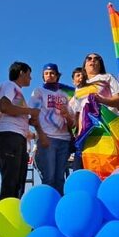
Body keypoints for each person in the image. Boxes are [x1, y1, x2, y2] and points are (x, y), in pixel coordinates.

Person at [0, 61, 42, 200]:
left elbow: (15, 112)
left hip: (19, 137)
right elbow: (5, 106)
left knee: (19, 182)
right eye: (29, 74)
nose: (31, 78)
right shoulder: (9, 85)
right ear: (21, 72)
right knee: (10, 181)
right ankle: (4, 215)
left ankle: (14, 214)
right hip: (9, 136)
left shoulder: (18, 92)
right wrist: (30, 111)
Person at [29, 63, 75, 194]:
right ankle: (48, 207)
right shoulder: (38, 91)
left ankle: (59, 209)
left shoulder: (65, 95)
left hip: (64, 140)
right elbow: (33, 114)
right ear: (43, 76)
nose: (49, 76)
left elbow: (72, 120)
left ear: (57, 75)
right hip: (47, 139)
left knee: (60, 178)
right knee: (49, 177)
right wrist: (41, 135)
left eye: (52, 73)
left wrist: (68, 116)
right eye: (46, 73)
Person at [68, 67, 87, 171]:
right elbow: (71, 120)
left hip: (93, 134)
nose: (81, 77)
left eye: (83, 75)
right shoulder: (73, 100)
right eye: (78, 75)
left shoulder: (92, 93)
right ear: (73, 81)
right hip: (80, 138)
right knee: (78, 168)